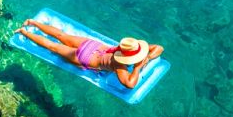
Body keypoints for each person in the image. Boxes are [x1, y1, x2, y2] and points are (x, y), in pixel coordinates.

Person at [14, 19, 163, 89]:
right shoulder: (120, 65)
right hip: (85, 58)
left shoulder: (127, 47)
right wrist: (137, 67)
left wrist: (148, 57)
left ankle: (32, 23)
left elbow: (159, 48)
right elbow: (130, 84)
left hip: (91, 45)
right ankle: (23, 32)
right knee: (52, 46)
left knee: (61, 35)